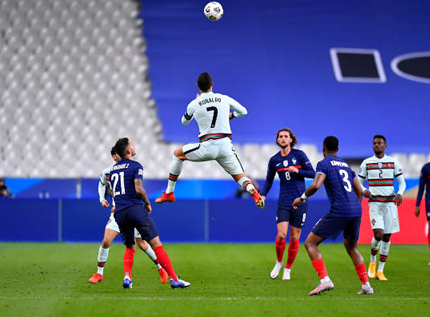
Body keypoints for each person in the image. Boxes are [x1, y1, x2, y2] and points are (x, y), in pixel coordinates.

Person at [154, 72, 264, 209]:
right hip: (225, 146)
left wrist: (196, 108)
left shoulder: (194, 103)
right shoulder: (223, 98)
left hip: (208, 146)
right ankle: (253, 191)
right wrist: (232, 115)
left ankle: (169, 193)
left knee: (177, 154)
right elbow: (243, 111)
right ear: (212, 84)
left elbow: (184, 122)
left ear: (197, 86)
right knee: (241, 178)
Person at [293, 136, 373, 295]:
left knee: (310, 243)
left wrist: (302, 198)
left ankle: (325, 280)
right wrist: (354, 207)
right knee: (351, 247)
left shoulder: (323, 164)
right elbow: (359, 190)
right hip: (356, 209)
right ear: (337, 149)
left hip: (340, 209)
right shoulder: (346, 165)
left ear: (324, 148)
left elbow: (316, 184)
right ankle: (366, 286)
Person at [111, 137, 190, 289]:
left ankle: (127, 277)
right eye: (132, 145)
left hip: (120, 213)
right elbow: (139, 189)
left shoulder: (114, 169)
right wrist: (147, 203)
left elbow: (113, 191)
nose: (133, 147)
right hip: (134, 208)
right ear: (128, 150)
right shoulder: (136, 166)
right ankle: (174, 279)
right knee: (156, 244)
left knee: (129, 247)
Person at [88, 147, 168, 284]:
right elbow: (101, 183)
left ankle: (161, 269)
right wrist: (102, 198)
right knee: (106, 241)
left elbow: (138, 188)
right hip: (118, 211)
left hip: (132, 210)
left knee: (142, 244)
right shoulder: (109, 171)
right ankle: (99, 273)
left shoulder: (132, 168)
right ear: (114, 156)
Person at [260, 128, 315, 280]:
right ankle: (279, 262)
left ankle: (288, 269)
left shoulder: (299, 155)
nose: (283, 139)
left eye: (286, 136)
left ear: (291, 140)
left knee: (295, 237)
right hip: (284, 201)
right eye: (280, 137)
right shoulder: (274, 160)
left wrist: (298, 171)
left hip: (300, 201)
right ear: (277, 140)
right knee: (282, 235)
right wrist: (263, 195)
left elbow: (312, 173)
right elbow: (269, 180)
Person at [358, 135, 406, 280]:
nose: (376, 145)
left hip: (390, 203)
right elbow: (358, 182)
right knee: (378, 235)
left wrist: (400, 193)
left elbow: (402, 182)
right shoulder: (367, 162)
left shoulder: (393, 162)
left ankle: (380, 270)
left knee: (387, 237)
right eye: (374, 143)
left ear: (385, 146)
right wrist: (364, 190)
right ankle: (372, 263)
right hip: (375, 203)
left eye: (379, 143)